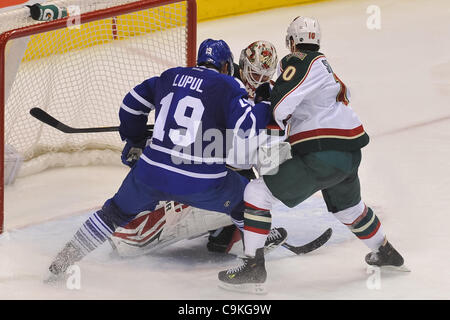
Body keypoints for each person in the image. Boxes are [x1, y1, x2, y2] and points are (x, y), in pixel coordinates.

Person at [46, 38, 283, 280]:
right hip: (202, 181)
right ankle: (254, 260)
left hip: (150, 174)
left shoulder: (169, 76)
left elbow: (131, 105)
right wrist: (265, 106)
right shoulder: (229, 85)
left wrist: (135, 138)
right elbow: (247, 128)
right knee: (249, 201)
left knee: (112, 214)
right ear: (228, 66)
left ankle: (63, 261)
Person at [218, 17, 407, 294]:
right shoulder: (325, 67)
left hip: (322, 152)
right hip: (349, 151)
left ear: (292, 41)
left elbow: (281, 107)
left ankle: (253, 267)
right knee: (350, 209)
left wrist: (272, 126)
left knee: (257, 194)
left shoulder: (298, 60)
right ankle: (386, 252)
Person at [108, 40, 283, 257]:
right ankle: (140, 227)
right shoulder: (227, 84)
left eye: (266, 76)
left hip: (213, 159)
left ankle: (226, 231)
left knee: (250, 186)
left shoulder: (263, 91)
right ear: (241, 65)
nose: (260, 81)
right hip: (195, 157)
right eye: (255, 74)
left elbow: (263, 152)